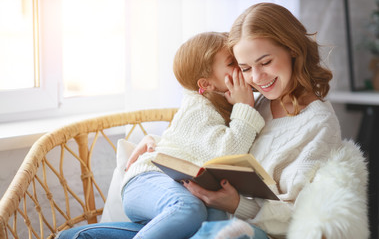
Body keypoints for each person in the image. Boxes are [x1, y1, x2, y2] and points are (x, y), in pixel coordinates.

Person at [56, 2, 342, 239]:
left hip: (237, 228)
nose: (256, 78)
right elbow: (204, 136)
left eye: (266, 62)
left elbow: (305, 220)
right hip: (203, 214)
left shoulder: (317, 125)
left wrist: (237, 204)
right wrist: (159, 146)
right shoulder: (256, 103)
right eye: (244, 68)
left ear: (292, 49)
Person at [56, 31, 265, 239]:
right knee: (189, 209)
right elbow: (228, 154)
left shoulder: (221, 103)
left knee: (210, 226)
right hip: (149, 179)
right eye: (232, 63)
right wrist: (244, 107)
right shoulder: (198, 108)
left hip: (173, 192)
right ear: (206, 85)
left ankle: (77, 237)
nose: (241, 67)